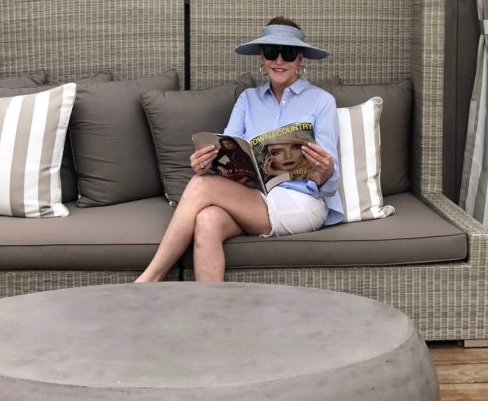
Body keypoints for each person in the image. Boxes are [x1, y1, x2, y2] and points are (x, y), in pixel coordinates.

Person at [134, 17, 343, 283]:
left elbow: (329, 185)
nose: (279, 61)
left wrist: (326, 170)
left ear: (300, 59)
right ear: (262, 58)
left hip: (301, 202)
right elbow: (228, 151)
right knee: (207, 220)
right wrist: (206, 163)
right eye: (271, 52)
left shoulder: (322, 102)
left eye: (288, 53)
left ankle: (150, 278)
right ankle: (211, 317)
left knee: (201, 186)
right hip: (253, 197)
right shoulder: (248, 100)